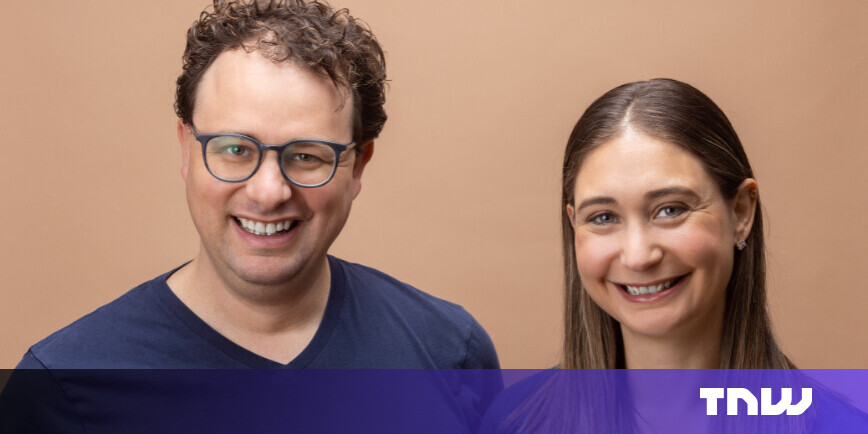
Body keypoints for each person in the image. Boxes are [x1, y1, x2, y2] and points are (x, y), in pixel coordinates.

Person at [1, 1, 499, 432]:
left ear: (357, 165)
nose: (268, 192)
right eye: (235, 148)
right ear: (186, 150)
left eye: (307, 155)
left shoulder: (450, 353)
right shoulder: (61, 388)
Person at [480, 78, 868, 433]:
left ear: (741, 213)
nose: (638, 256)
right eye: (603, 217)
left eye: (671, 209)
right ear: (573, 226)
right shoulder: (513, 422)